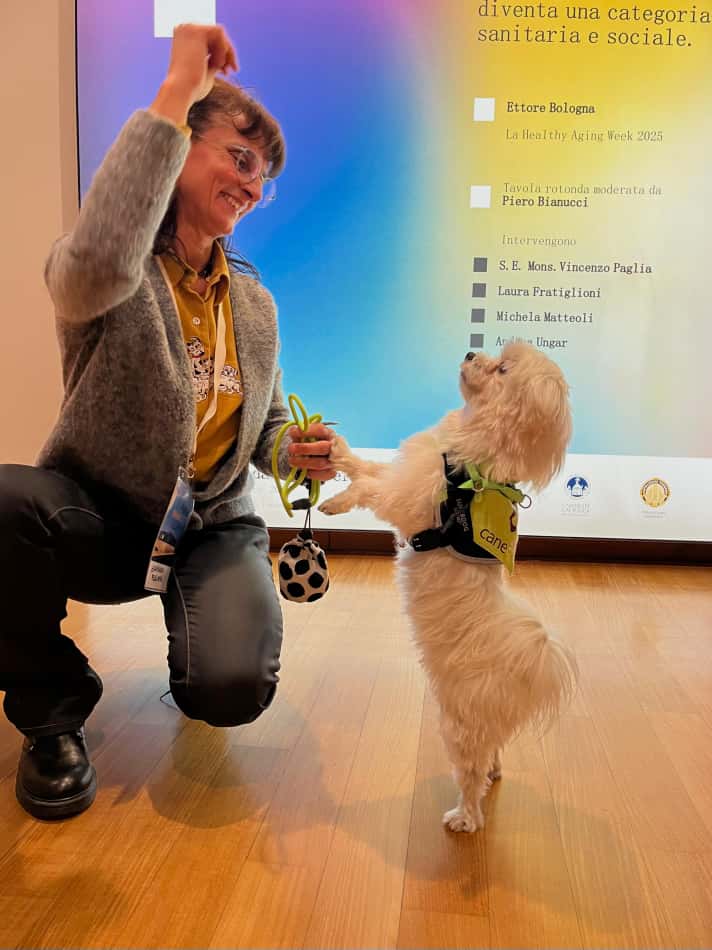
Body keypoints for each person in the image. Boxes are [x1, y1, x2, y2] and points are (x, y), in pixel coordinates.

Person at [0, 23, 335, 820]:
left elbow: (264, 431)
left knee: (230, 692)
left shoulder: (255, 304)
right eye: (240, 158)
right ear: (181, 146)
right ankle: (52, 712)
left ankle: (199, 644)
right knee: (5, 503)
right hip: (106, 519)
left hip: (211, 529)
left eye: (263, 178)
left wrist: (295, 452)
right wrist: (179, 87)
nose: (252, 186)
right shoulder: (113, 273)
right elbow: (92, 261)